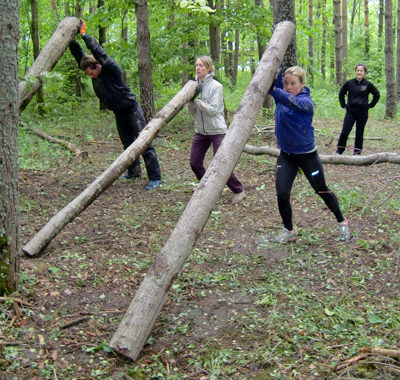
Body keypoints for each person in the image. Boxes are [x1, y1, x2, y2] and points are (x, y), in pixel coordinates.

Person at [69, 21, 161, 190]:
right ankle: (133, 172)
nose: (91, 77)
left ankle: (155, 177)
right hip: (119, 112)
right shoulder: (92, 73)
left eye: (92, 73)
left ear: (97, 66)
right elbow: (79, 56)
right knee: (127, 144)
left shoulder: (111, 69)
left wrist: (84, 35)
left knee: (144, 143)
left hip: (131, 109)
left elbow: (100, 53)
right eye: (87, 75)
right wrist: (71, 40)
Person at [269, 66, 350, 243]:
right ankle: (289, 230)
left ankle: (342, 221)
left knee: (321, 189)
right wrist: (278, 65)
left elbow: (290, 101)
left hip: (307, 157)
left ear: (302, 84)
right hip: (287, 156)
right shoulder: (282, 96)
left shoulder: (306, 103)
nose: (289, 87)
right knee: (282, 193)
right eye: (286, 83)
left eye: (293, 83)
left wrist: (275, 91)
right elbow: (275, 81)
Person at [186, 55, 245, 204]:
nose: (197, 68)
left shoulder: (216, 86)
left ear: (209, 68)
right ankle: (207, 187)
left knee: (221, 164)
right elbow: (191, 111)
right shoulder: (193, 85)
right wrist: (191, 103)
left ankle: (239, 190)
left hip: (217, 130)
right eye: (196, 65)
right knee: (194, 162)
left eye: (201, 65)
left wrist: (197, 101)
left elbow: (213, 110)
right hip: (200, 131)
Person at [336, 63, 380, 155]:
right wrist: (343, 105)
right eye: (358, 70)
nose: (359, 72)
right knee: (345, 131)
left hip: (362, 112)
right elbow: (341, 94)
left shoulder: (368, 84)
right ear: (355, 72)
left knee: (359, 133)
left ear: (364, 73)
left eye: (361, 71)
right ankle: (339, 151)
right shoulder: (349, 83)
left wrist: (370, 105)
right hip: (350, 112)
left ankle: (357, 152)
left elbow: (377, 95)